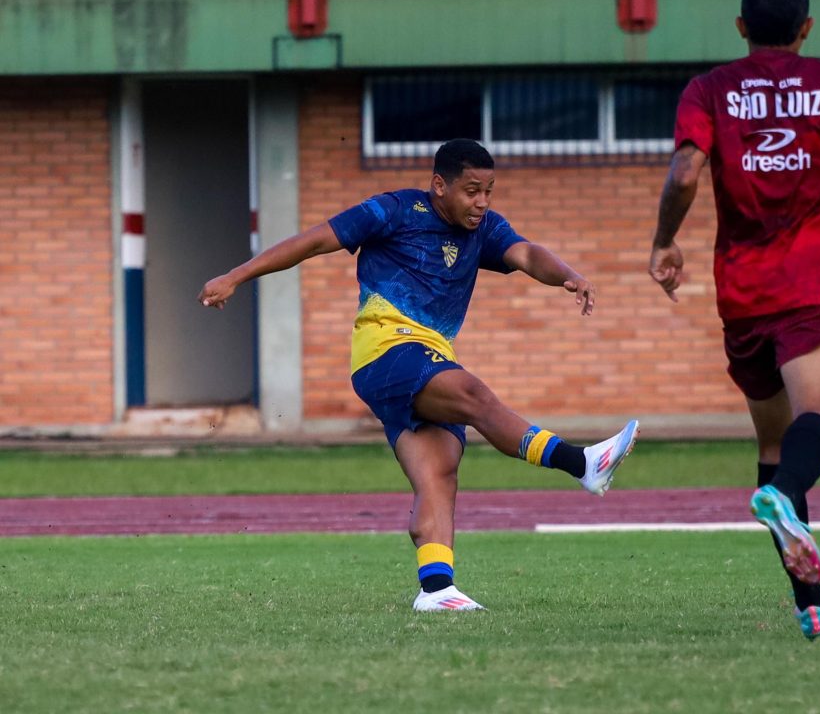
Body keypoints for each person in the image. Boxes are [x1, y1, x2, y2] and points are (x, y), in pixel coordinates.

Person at [200, 138, 638, 613]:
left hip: (429, 354)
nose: (482, 202)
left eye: (489, 190)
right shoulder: (394, 211)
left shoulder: (484, 229)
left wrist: (568, 275)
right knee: (472, 395)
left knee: (439, 471)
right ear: (438, 185)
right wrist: (235, 276)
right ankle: (583, 463)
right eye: (472, 190)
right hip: (386, 349)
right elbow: (313, 241)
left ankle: (436, 590)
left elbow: (527, 255)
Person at [647, 0, 820, 639]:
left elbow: (683, 173)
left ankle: (810, 603)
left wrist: (664, 242)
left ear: (741, 28)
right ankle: (783, 500)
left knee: (772, 441)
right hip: (814, 284)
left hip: (743, 293)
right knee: (819, 423)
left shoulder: (709, 90)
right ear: (807, 28)